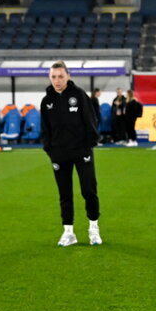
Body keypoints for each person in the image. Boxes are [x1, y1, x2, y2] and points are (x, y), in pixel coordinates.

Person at [40, 61, 102, 246]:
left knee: (88, 190)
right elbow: (45, 129)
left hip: (81, 151)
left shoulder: (79, 95)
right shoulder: (46, 101)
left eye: (60, 76)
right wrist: (50, 150)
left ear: (68, 76)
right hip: (59, 154)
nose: (57, 81)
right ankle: (68, 233)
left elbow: (91, 120)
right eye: (53, 77)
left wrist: (89, 146)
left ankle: (94, 229)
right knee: (64, 194)